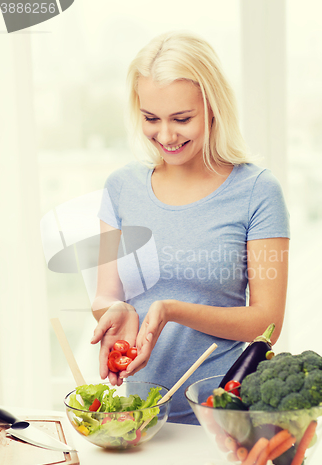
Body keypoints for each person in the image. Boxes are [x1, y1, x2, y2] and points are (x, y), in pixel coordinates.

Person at [90, 31, 290, 424]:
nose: (165, 135)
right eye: (151, 119)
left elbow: (268, 323)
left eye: (181, 119)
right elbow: (105, 296)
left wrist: (172, 311)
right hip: (142, 418)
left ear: (212, 108)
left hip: (225, 415)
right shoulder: (121, 188)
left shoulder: (257, 191)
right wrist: (117, 312)